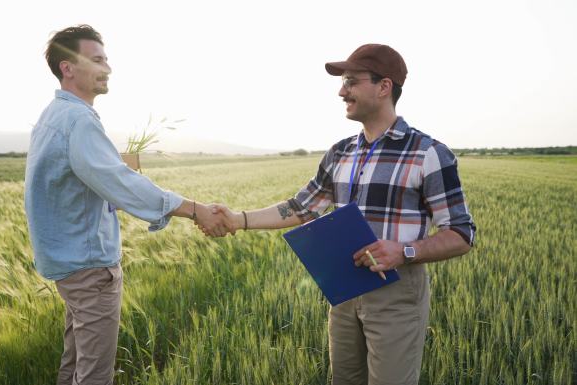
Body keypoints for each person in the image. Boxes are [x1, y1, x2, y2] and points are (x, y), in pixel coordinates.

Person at [211, 44, 476, 385]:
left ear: (384, 87)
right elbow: (301, 207)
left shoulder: (428, 154)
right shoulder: (340, 152)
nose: (341, 91)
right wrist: (238, 219)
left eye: (351, 81)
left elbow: (461, 233)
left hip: (395, 292)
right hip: (345, 289)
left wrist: (405, 251)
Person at [24, 25, 231, 385]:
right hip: (89, 266)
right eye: (97, 59)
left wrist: (115, 170)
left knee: (73, 362)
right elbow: (122, 185)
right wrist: (195, 208)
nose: (107, 68)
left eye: (107, 59)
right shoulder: (78, 120)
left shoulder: (51, 116)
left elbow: (79, 181)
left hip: (65, 263)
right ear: (67, 68)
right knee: (94, 374)